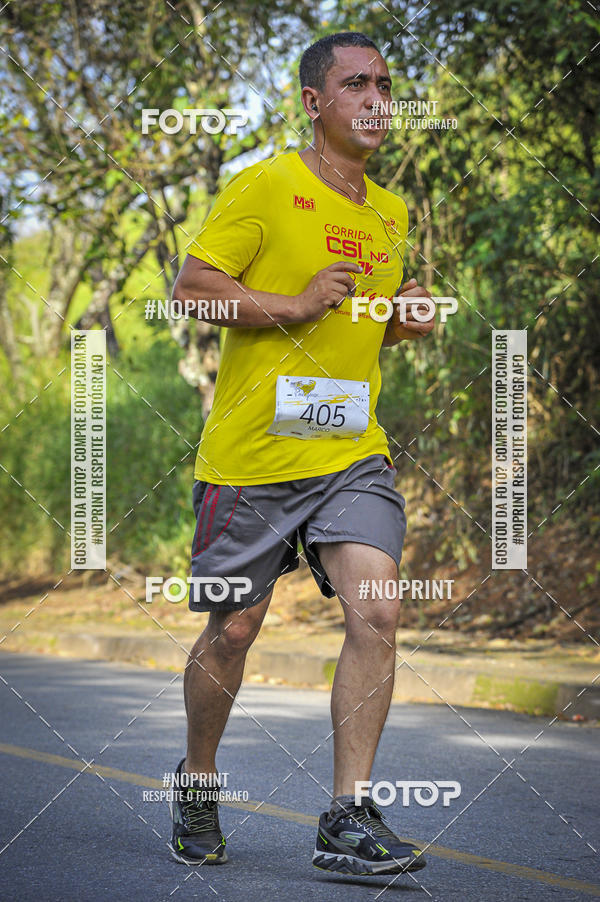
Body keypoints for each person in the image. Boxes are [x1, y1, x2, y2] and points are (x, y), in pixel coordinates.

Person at [168, 31, 436, 876]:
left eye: (386, 85)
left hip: (351, 450)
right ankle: (199, 779)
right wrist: (294, 300)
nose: (377, 98)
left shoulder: (389, 212)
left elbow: (361, 320)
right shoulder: (266, 184)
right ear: (315, 102)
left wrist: (402, 317)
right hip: (253, 454)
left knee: (380, 611)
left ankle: (347, 815)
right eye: (357, 83)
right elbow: (193, 289)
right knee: (235, 628)